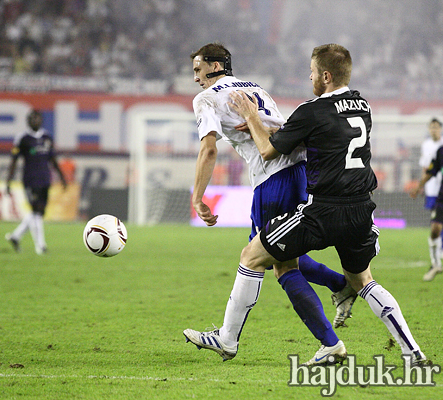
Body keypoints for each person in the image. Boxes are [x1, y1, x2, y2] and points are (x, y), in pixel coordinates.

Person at [209, 43, 427, 367]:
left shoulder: (311, 111)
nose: (309, 77)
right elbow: (322, 134)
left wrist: (253, 118)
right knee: (365, 281)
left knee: (253, 255)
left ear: (325, 76)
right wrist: (277, 129)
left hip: (323, 211)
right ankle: (413, 352)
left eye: (311, 72)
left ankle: (228, 337)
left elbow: (269, 151)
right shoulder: (362, 105)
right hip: (361, 211)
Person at [183, 43, 354, 365]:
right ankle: (340, 285)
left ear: (215, 65)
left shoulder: (206, 98)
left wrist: (197, 196)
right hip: (301, 173)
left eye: (197, 69)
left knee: (277, 263)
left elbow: (208, 150)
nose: (195, 79)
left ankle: (327, 343)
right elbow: (285, 129)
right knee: (277, 252)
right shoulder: (254, 87)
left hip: (274, 181)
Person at [5, 110, 67, 254]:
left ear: (41, 120)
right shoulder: (23, 138)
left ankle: (16, 236)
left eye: (37, 118)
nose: (35, 121)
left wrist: (62, 177)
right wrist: (8, 181)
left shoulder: (47, 137)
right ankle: (41, 246)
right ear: (27, 121)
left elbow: (53, 159)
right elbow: (14, 161)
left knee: (39, 212)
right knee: (36, 211)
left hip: (45, 178)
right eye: (32, 118)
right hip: (30, 180)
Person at [410, 126, 443, 281]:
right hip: (442, 197)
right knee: (435, 229)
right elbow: (431, 172)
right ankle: (436, 264)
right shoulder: (441, 151)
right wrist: (418, 188)